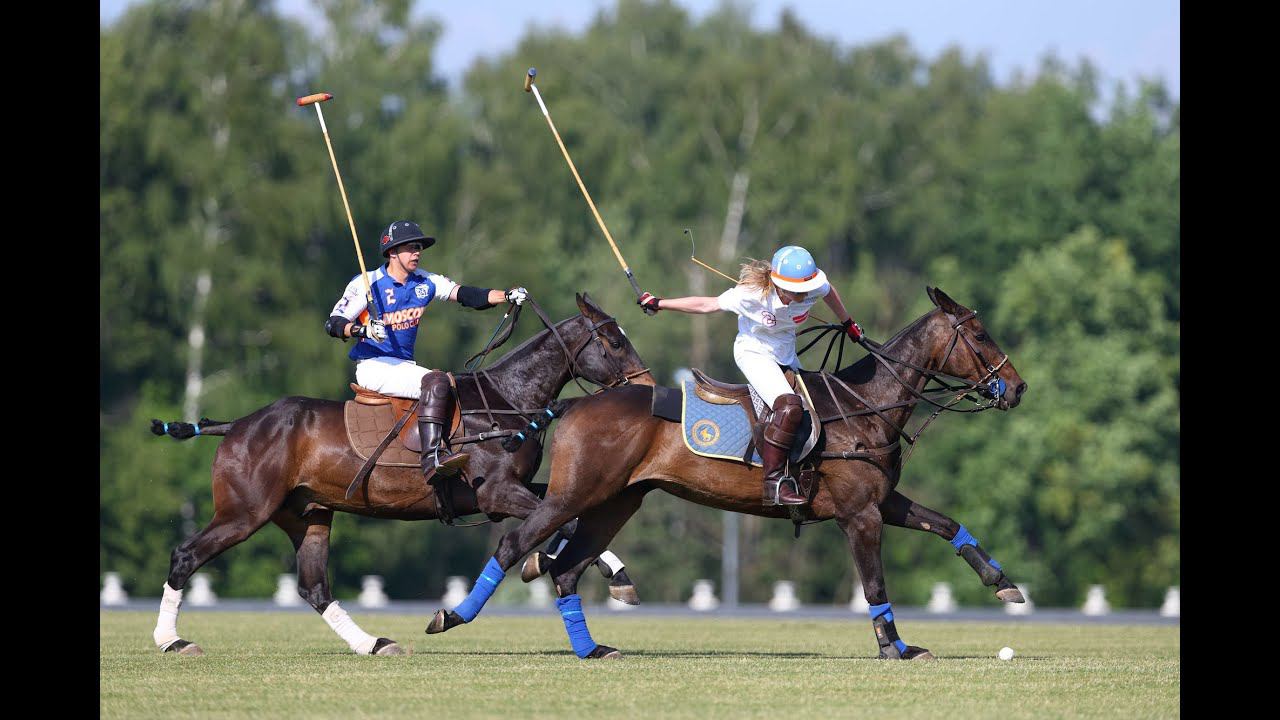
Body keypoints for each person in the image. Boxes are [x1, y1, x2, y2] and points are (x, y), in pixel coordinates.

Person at [637, 245, 863, 505]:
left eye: (805, 290)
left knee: (818, 406)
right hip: (753, 353)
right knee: (789, 407)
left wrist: (848, 323)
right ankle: (774, 483)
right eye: (796, 291)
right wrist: (660, 303)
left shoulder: (812, 287)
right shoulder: (751, 295)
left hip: (786, 355)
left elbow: (828, 291)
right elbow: (707, 304)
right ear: (778, 284)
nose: (802, 296)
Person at [325, 220, 528, 484]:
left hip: (404, 365)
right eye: (410, 247)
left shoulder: (426, 281)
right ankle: (432, 459)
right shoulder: (368, 282)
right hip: (373, 365)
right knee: (437, 381)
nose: (417, 252)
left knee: (450, 384)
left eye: (419, 247)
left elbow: (465, 294)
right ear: (392, 252)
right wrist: (363, 331)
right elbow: (333, 323)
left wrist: (507, 295)